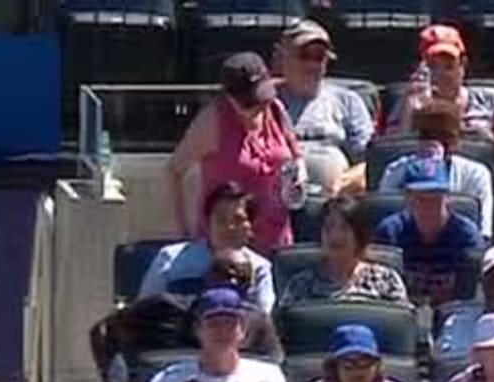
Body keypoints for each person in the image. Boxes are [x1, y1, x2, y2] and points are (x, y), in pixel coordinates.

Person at [170, 52, 301, 252]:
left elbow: (294, 153)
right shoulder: (212, 120)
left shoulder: (275, 109)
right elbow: (175, 170)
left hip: (276, 239)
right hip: (226, 244)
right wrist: (184, 231)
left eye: (261, 99)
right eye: (249, 103)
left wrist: (298, 175)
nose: (257, 107)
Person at [142, 182, 278, 317]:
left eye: (238, 219)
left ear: (250, 227)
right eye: (221, 219)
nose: (229, 227)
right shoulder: (170, 258)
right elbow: (145, 309)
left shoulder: (260, 268)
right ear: (208, 223)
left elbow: (261, 320)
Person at [275, 20, 372, 201]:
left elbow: (369, 162)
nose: (312, 64)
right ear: (282, 57)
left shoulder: (348, 101)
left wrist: (343, 184)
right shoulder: (266, 103)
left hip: (334, 204)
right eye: (304, 55)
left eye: (319, 57)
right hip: (278, 200)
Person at [372, 157, 483, 310]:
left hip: (451, 314)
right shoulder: (390, 232)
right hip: (404, 313)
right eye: (421, 199)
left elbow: (470, 297)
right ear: (408, 198)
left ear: (447, 197)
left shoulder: (466, 236)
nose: (429, 207)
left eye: (436, 199)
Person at [390, 23, 494, 153]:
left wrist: (492, 136)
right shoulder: (410, 102)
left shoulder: (490, 99)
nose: (442, 74)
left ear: (463, 64)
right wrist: (410, 112)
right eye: (433, 66)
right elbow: (393, 154)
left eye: (449, 66)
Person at [147, 287, 287, 382]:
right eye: (214, 324)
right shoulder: (169, 381)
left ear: (243, 330)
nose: (222, 331)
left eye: (230, 324)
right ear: (197, 329)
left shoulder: (267, 378)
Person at [379, 100, 494, 217]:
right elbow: (385, 221)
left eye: (443, 136)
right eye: (428, 135)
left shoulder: (476, 174)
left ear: (457, 140)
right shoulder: (396, 171)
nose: (435, 143)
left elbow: (483, 229)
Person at [282, 199, 407, 306]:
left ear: (359, 235)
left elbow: (401, 325)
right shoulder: (301, 285)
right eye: (329, 227)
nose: (335, 235)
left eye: (344, 228)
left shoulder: (385, 280)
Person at [300, 323, 410, 382]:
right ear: (334, 368)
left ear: (377, 366)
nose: (357, 372)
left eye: (365, 363)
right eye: (349, 364)